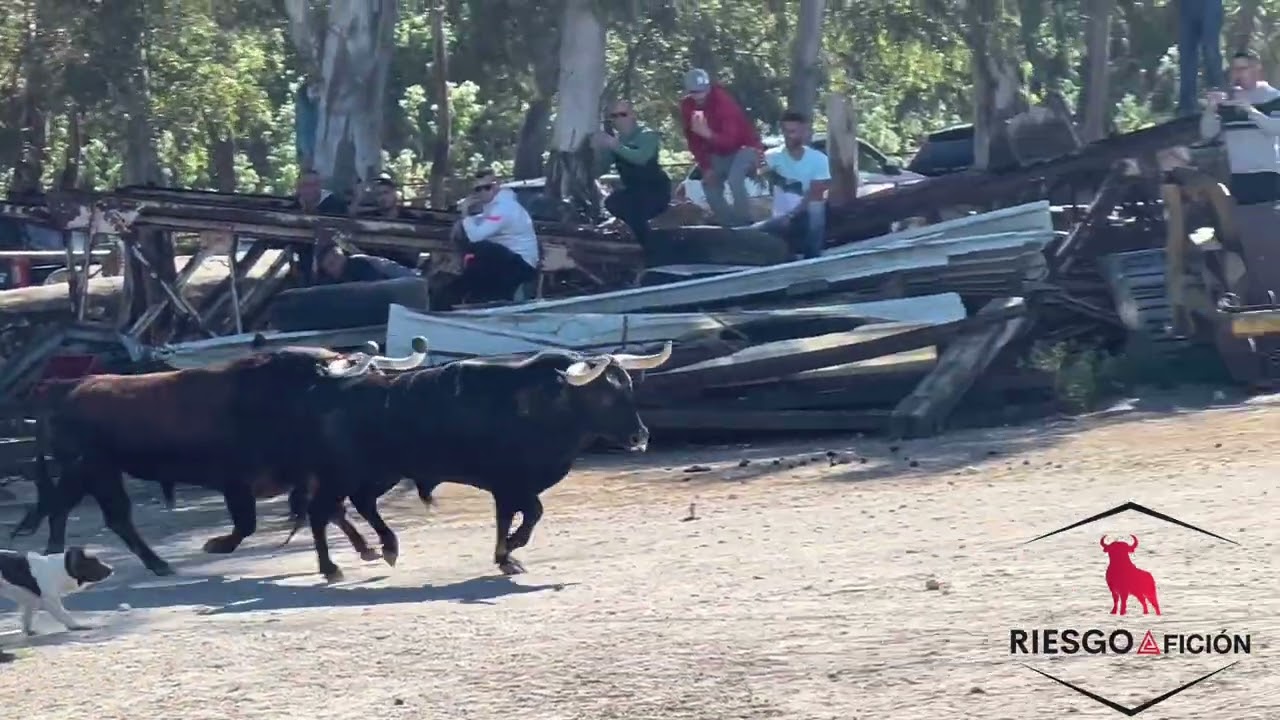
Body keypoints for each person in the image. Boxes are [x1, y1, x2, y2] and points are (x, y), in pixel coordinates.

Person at [441, 168, 539, 308]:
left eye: (487, 187)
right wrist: (463, 222)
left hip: (521, 263)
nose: (483, 192)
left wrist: (465, 215)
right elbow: (479, 224)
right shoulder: (493, 207)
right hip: (508, 259)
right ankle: (467, 295)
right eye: (478, 189)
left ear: (497, 185)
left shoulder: (505, 208)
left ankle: (482, 298)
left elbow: (476, 236)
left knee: (482, 249)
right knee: (479, 259)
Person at [679, 68, 763, 227]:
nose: (700, 96)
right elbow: (693, 140)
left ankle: (745, 223)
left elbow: (731, 141)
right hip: (718, 152)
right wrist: (706, 167)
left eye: (703, 91)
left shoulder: (723, 103)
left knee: (734, 179)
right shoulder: (687, 106)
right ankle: (731, 224)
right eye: (695, 93)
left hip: (745, 147)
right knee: (709, 185)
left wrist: (708, 134)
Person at [741, 109, 830, 260]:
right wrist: (752, 162)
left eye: (793, 131)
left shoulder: (819, 159)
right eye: (785, 131)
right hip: (780, 217)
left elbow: (816, 193)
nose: (788, 136)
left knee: (816, 208)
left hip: (803, 213)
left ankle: (813, 257)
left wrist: (792, 215)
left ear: (803, 132)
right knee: (751, 233)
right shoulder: (773, 156)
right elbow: (755, 175)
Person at [1201, 50, 1280, 205]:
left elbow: (1275, 129)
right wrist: (1211, 109)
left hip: (1269, 175)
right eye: (1235, 69)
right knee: (1247, 225)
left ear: (1257, 69)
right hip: (1239, 176)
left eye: (1243, 69)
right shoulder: (1229, 101)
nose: (1238, 74)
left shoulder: (1274, 97)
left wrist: (1250, 110)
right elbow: (1207, 133)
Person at [592, 100, 671, 249]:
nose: (619, 120)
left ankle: (652, 247)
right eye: (614, 116)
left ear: (633, 115)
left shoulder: (647, 135)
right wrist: (598, 150)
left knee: (635, 211)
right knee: (612, 203)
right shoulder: (615, 141)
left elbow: (641, 158)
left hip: (656, 191)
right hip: (634, 191)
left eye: (623, 114)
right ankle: (644, 243)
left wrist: (615, 146)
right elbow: (601, 168)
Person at [1177, 0, 1225, 117]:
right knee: (1186, 53)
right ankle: (1187, 104)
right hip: (1186, 5)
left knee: (1210, 48)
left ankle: (1217, 98)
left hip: (1210, 4)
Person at [314, 239, 420, 285]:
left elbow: (377, 287)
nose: (332, 270)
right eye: (328, 268)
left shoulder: (358, 264)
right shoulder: (335, 280)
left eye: (333, 263)